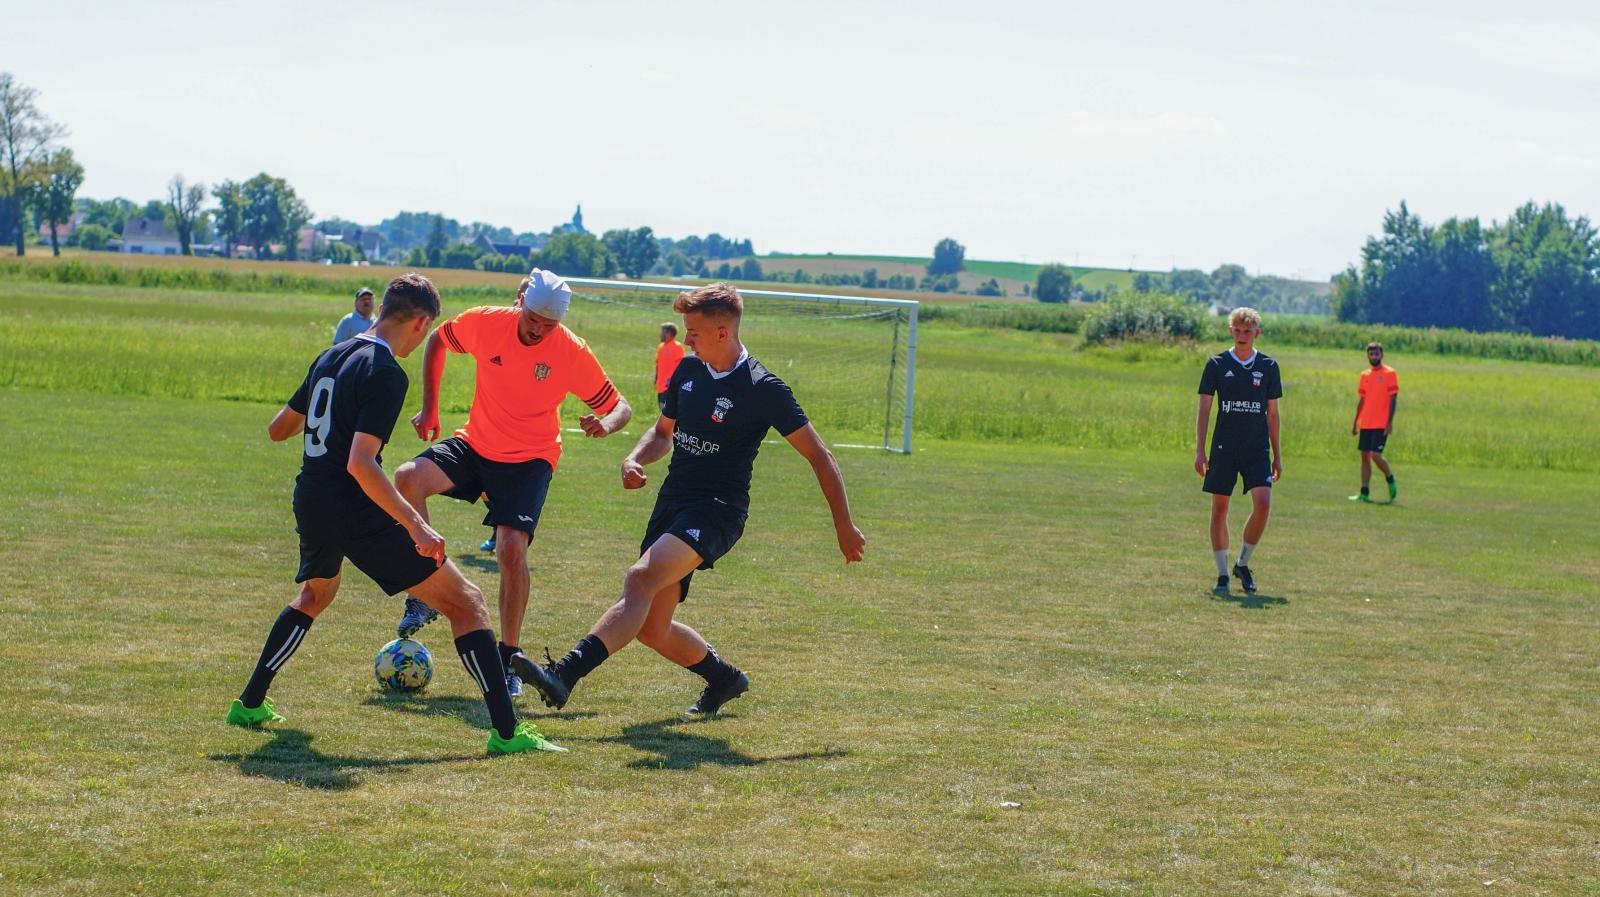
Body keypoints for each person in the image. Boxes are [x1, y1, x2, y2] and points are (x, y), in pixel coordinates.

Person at [225, 273, 560, 755]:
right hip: (353, 505)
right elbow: (360, 464)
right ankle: (508, 734)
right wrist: (416, 523)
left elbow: (280, 429)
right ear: (421, 322)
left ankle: (250, 703)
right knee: (467, 603)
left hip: (311, 496)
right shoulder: (385, 371)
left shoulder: (332, 355)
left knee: (315, 594)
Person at [512, 283, 866, 719]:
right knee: (653, 629)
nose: (686, 340)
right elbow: (663, 433)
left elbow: (820, 457)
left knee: (640, 579)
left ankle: (563, 675)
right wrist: (634, 458)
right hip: (673, 502)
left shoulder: (763, 387)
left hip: (718, 509)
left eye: (694, 332)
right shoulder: (687, 371)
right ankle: (724, 678)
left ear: (722, 331)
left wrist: (843, 526)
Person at [393, 268, 633, 697]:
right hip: (476, 444)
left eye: (549, 324)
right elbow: (437, 341)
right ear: (520, 303)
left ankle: (507, 659)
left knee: (510, 549)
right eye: (533, 319)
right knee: (408, 478)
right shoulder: (488, 322)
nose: (539, 330)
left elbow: (620, 406)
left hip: (530, 459)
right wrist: (430, 407)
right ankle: (426, 589)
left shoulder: (571, 352)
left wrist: (607, 424)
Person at [1195, 307, 1282, 594]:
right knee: (1220, 508)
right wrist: (1200, 450)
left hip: (1257, 448)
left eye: (1248, 331)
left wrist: (1278, 454)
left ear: (1257, 333)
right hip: (1224, 446)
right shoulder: (1217, 364)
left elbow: (1272, 414)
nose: (1243, 335)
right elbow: (1205, 408)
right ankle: (1221, 574)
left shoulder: (1269, 367)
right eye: (1238, 330)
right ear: (1230, 331)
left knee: (1264, 504)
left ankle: (1242, 563)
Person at [1349, 341, 1399, 503]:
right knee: (1364, 456)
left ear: (1382, 355)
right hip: (1366, 423)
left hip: (1381, 423)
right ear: (1368, 356)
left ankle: (1390, 478)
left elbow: (1393, 399)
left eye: (1377, 353)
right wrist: (1356, 421)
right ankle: (1364, 492)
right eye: (1371, 354)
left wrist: (1389, 422)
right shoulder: (1365, 375)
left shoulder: (1390, 373)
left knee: (1376, 455)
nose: (1374, 356)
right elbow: (1362, 400)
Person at [655, 322, 686, 414]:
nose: (660, 334)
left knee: (667, 412)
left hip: (670, 386)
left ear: (668, 333)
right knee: (662, 410)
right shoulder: (661, 347)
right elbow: (658, 364)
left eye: (663, 332)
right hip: (660, 385)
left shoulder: (677, 347)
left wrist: (675, 380)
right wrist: (656, 378)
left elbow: (681, 366)